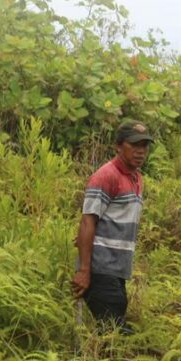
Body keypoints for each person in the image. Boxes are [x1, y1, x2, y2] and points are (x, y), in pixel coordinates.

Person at [71, 119, 153, 332]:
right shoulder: (106, 176)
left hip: (117, 271)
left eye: (144, 146)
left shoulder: (136, 178)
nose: (140, 151)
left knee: (111, 331)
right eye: (134, 145)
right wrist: (84, 270)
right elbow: (88, 220)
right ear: (118, 146)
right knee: (115, 332)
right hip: (100, 268)